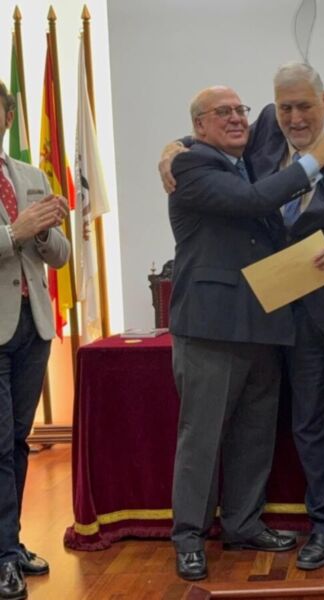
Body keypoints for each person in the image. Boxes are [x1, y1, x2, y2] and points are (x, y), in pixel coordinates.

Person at [160, 62, 324, 570]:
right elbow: (216, 137)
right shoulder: (266, 126)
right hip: (296, 313)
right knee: (312, 424)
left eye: (305, 106)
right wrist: (174, 148)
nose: (295, 117)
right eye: (285, 108)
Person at [167, 85, 324, 581]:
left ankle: (243, 524)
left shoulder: (248, 162)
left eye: (240, 110)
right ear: (199, 126)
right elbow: (253, 202)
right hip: (211, 326)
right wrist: (316, 159)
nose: (236, 118)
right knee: (203, 438)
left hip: (265, 321)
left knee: (254, 435)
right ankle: (189, 537)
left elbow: (279, 114)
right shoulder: (191, 165)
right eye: (222, 112)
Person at [0, 81, 70, 600]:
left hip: (34, 324)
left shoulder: (29, 175)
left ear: (6, 118)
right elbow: (16, 235)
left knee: (17, 443)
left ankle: (10, 541)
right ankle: (3, 555)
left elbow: (60, 255)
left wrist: (45, 231)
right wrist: (16, 231)